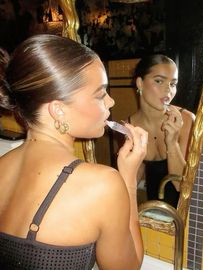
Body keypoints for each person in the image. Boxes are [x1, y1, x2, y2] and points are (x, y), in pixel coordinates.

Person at [0, 34, 148, 270]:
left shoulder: (2, 164)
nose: (110, 102)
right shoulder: (101, 185)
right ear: (58, 110)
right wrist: (128, 178)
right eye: (100, 94)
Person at [126, 54, 195, 208]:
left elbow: (181, 187)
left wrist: (172, 143)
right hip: (154, 213)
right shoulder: (130, 126)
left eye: (173, 83)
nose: (168, 90)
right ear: (140, 83)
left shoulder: (186, 121)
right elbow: (132, 182)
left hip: (187, 213)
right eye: (159, 81)